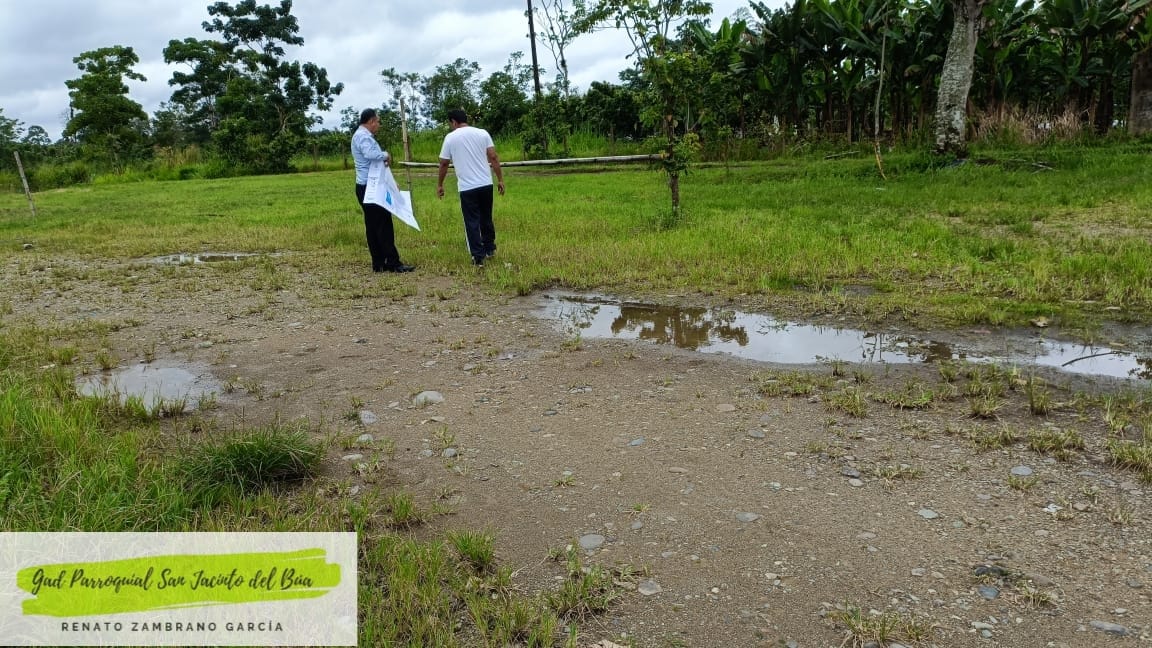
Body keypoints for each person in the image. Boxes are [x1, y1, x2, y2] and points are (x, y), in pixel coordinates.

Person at [436, 109, 505, 267]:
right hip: (486, 183)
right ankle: (489, 248)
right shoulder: (482, 133)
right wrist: (500, 179)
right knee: (486, 217)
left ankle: (478, 256)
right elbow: (493, 157)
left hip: (467, 187)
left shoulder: (450, 138)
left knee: (471, 221)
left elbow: (444, 163)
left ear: (453, 122)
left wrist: (440, 184)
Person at [352, 108, 413, 273]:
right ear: (371, 121)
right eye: (377, 122)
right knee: (383, 224)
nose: (378, 125)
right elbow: (370, 154)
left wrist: (390, 182)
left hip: (368, 185)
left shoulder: (361, 135)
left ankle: (378, 262)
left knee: (373, 225)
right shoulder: (363, 136)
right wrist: (385, 154)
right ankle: (393, 262)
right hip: (371, 187)